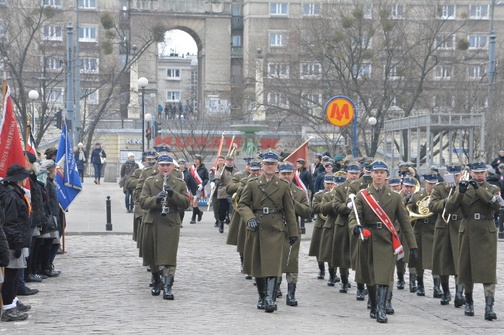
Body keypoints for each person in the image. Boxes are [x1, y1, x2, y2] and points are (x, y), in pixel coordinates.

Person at [349, 160, 418, 324]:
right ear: (371, 174)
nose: (379, 175)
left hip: (387, 240)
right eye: (376, 172)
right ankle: (373, 305)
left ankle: (381, 309)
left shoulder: (394, 197)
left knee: (384, 275)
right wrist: (356, 227)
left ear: (386, 175)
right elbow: (354, 216)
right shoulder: (362, 195)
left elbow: (405, 222)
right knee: (371, 276)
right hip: (368, 238)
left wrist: (413, 246)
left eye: (382, 172)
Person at [237, 152, 298, 313]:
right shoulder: (252, 184)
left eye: (272, 164)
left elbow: (289, 211)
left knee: (273, 265)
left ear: (276, 166)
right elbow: (242, 204)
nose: (270, 166)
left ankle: (270, 299)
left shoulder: (283, 186)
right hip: (257, 227)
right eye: (267, 164)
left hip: (276, 229)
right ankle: (262, 296)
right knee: (258, 265)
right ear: (262, 165)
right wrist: (249, 217)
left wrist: (293, 233)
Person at [446, 161, 500, 321]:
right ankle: (468, 302)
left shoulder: (492, 188)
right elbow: (449, 208)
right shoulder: (462, 188)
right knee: (466, 268)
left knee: (488, 270)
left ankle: (489, 306)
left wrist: (477, 188)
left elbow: (495, 204)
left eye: (482, 172)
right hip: (467, 230)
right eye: (476, 173)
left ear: (486, 173)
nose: (479, 175)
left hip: (486, 231)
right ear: (470, 173)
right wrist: (460, 192)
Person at [139, 155, 190, 300]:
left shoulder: (178, 183)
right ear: (157, 167)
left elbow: (186, 202)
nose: (165, 168)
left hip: (170, 222)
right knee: (152, 255)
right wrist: (156, 199)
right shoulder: (150, 182)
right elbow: (142, 201)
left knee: (169, 256)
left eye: (168, 165)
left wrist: (173, 195)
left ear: (173, 167)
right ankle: (156, 280)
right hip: (153, 220)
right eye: (162, 165)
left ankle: (168, 287)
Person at [429, 164, 466, 307]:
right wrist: (447, 201)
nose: (456, 177)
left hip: (459, 227)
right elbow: (432, 206)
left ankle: (459, 293)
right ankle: (445, 292)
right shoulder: (439, 188)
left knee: (459, 261)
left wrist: (459, 191)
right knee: (442, 261)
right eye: (453, 175)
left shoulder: (464, 188)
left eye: (458, 175)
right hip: (443, 226)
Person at [0, 164, 33, 321]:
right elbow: (10, 223)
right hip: (13, 242)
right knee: (11, 277)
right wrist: (18, 242)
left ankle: (12, 302)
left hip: (16, 240)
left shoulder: (16, 193)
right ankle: (8, 308)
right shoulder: (12, 196)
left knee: (15, 274)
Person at [278, 162, 311, 307]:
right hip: (276, 230)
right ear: (279, 174)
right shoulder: (273, 190)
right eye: (283, 173)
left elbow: (306, 211)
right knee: (276, 259)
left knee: (292, 262)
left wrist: (292, 202)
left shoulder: (299, 192)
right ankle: (275, 287)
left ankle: (291, 293)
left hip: (292, 231)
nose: (286, 176)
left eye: (288, 173)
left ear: (293, 174)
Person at [407, 173, 442, 298]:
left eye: (434, 184)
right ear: (425, 183)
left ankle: (437, 287)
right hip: (420, 229)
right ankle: (420, 285)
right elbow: (409, 208)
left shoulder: (439, 196)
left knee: (435, 260)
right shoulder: (417, 196)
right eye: (430, 183)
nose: (432, 186)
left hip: (434, 228)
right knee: (418, 260)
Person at [309, 174, 336, 280]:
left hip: (331, 224)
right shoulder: (319, 195)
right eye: (327, 183)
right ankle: (321, 269)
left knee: (331, 249)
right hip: (320, 224)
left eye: (331, 183)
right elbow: (314, 208)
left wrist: (326, 205)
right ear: (324, 183)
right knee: (318, 248)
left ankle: (332, 273)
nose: (329, 186)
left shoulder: (336, 194)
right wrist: (327, 205)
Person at [214, 156, 238, 233]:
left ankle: (232, 224)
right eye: (228, 160)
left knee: (233, 208)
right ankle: (221, 222)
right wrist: (217, 180)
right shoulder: (221, 169)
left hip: (233, 191)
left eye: (231, 160)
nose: (229, 162)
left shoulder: (236, 170)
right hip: (223, 191)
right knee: (222, 209)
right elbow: (217, 176)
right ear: (225, 161)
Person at [189, 154, 209, 224]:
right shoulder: (191, 168)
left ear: (200, 161)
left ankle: (193, 218)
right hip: (192, 188)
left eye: (197, 159)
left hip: (199, 188)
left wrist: (202, 185)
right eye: (194, 159)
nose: (195, 161)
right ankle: (199, 212)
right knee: (192, 203)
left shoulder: (204, 169)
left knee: (195, 202)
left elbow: (206, 179)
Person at [177, 159, 197, 226]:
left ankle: (180, 222)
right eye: (180, 164)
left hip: (184, 192)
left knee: (181, 208)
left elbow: (192, 183)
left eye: (182, 164)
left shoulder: (188, 173)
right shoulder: (175, 172)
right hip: (176, 191)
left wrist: (194, 193)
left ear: (184, 165)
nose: (181, 166)